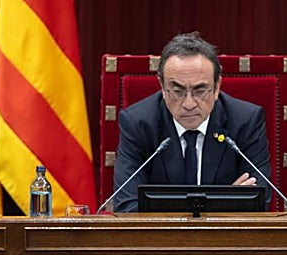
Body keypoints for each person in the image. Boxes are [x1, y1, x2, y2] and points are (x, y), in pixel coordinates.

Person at [110, 32, 270, 213]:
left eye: (200, 90)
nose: (189, 104)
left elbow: (259, 202)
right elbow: (127, 206)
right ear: (162, 87)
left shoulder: (246, 121)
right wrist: (225, 203)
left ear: (217, 87)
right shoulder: (138, 124)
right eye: (177, 91)